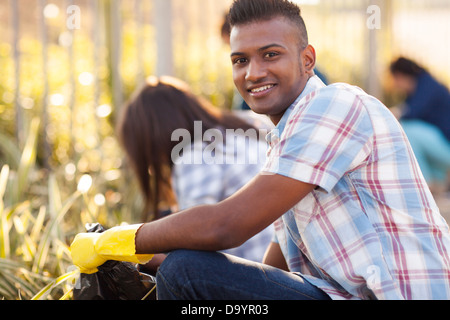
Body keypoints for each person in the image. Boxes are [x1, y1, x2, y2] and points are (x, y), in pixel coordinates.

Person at [71, 0, 450, 300]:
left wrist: (118, 241)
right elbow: (277, 266)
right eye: (240, 60)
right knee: (192, 276)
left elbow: (225, 226)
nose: (252, 73)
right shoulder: (284, 139)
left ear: (307, 60)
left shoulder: (335, 106)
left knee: (185, 270)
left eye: (270, 54)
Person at [115, 76, 273, 266]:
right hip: (290, 267)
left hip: (258, 272)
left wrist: (125, 252)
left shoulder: (196, 157)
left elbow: (193, 253)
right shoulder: (247, 123)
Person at [389, 57, 450, 189]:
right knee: (414, 134)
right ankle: (437, 183)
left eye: (394, 79)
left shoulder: (426, 84)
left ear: (400, 75)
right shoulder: (420, 86)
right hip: (443, 146)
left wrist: (390, 113)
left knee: (406, 131)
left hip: (446, 147)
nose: (394, 84)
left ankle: (424, 184)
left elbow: (410, 112)